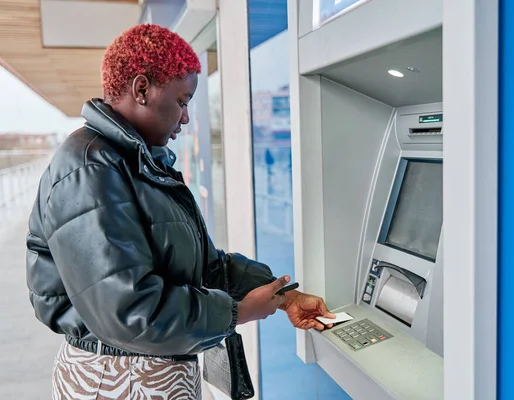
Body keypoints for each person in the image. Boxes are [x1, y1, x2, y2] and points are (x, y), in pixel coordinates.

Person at [26, 24, 334, 399]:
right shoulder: (88, 170)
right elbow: (129, 310)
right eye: (183, 101)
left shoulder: (138, 163)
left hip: (150, 371)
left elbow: (205, 266)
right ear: (142, 90)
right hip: (115, 379)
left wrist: (284, 295)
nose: (186, 118)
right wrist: (236, 313)